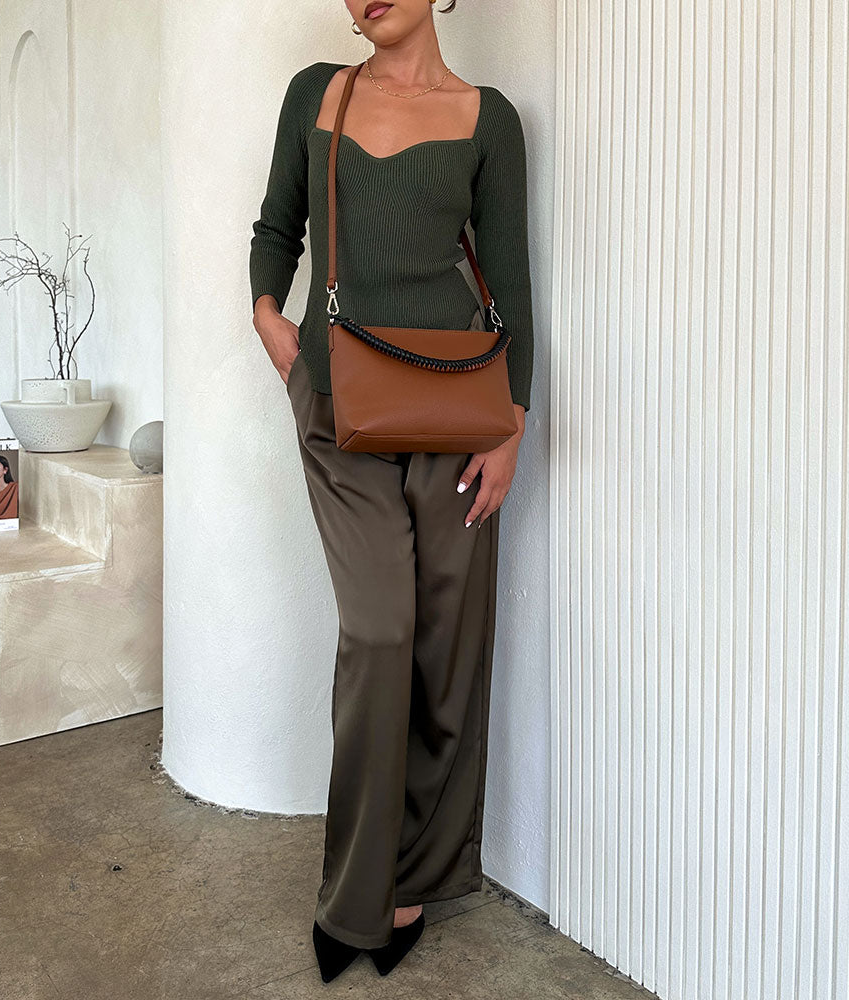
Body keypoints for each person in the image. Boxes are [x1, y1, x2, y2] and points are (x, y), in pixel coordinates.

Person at [248, 0, 534, 983]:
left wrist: (513, 424)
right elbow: (275, 230)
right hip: (342, 410)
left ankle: (416, 876)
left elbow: (511, 284)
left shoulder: (487, 118)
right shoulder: (314, 98)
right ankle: (355, 900)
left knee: (446, 643)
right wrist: (276, 332)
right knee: (379, 630)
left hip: (457, 411)